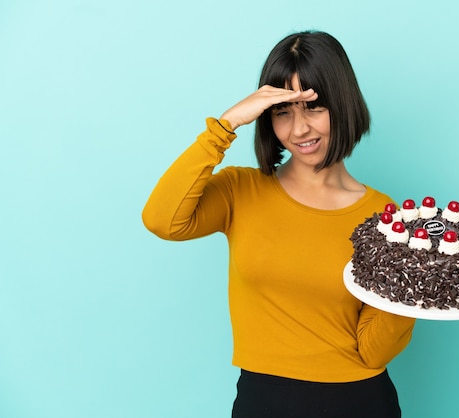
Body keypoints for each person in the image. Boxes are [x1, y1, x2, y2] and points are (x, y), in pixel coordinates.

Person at [142, 30, 416, 418]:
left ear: (343, 104)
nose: (299, 130)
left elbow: (374, 350)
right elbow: (161, 221)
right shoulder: (241, 190)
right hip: (263, 399)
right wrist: (224, 126)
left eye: (314, 107)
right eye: (282, 112)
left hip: (360, 400)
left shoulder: (382, 214)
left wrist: (412, 288)